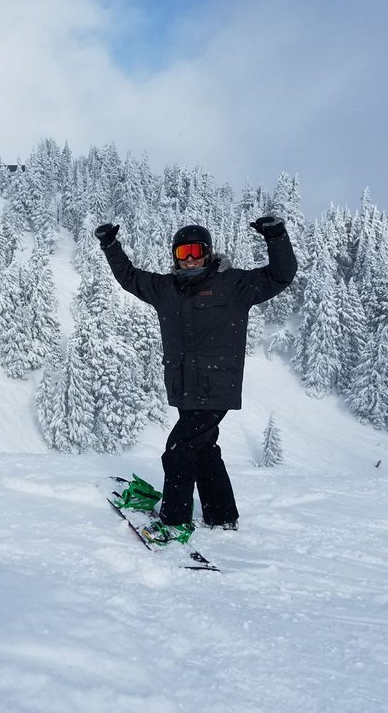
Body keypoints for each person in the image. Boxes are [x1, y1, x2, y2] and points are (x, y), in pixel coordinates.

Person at [94, 217, 297, 543]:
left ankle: (173, 522)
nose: (190, 259)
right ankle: (222, 514)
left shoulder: (234, 286)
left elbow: (280, 275)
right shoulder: (166, 290)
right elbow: (129, 278)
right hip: (184, 388)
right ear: (175, 256)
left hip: (216, 388)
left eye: (196, 251)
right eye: (183, 252)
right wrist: (110, 246)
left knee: (178, 450)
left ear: (208, 252)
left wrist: (276, 237)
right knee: (203, 450)